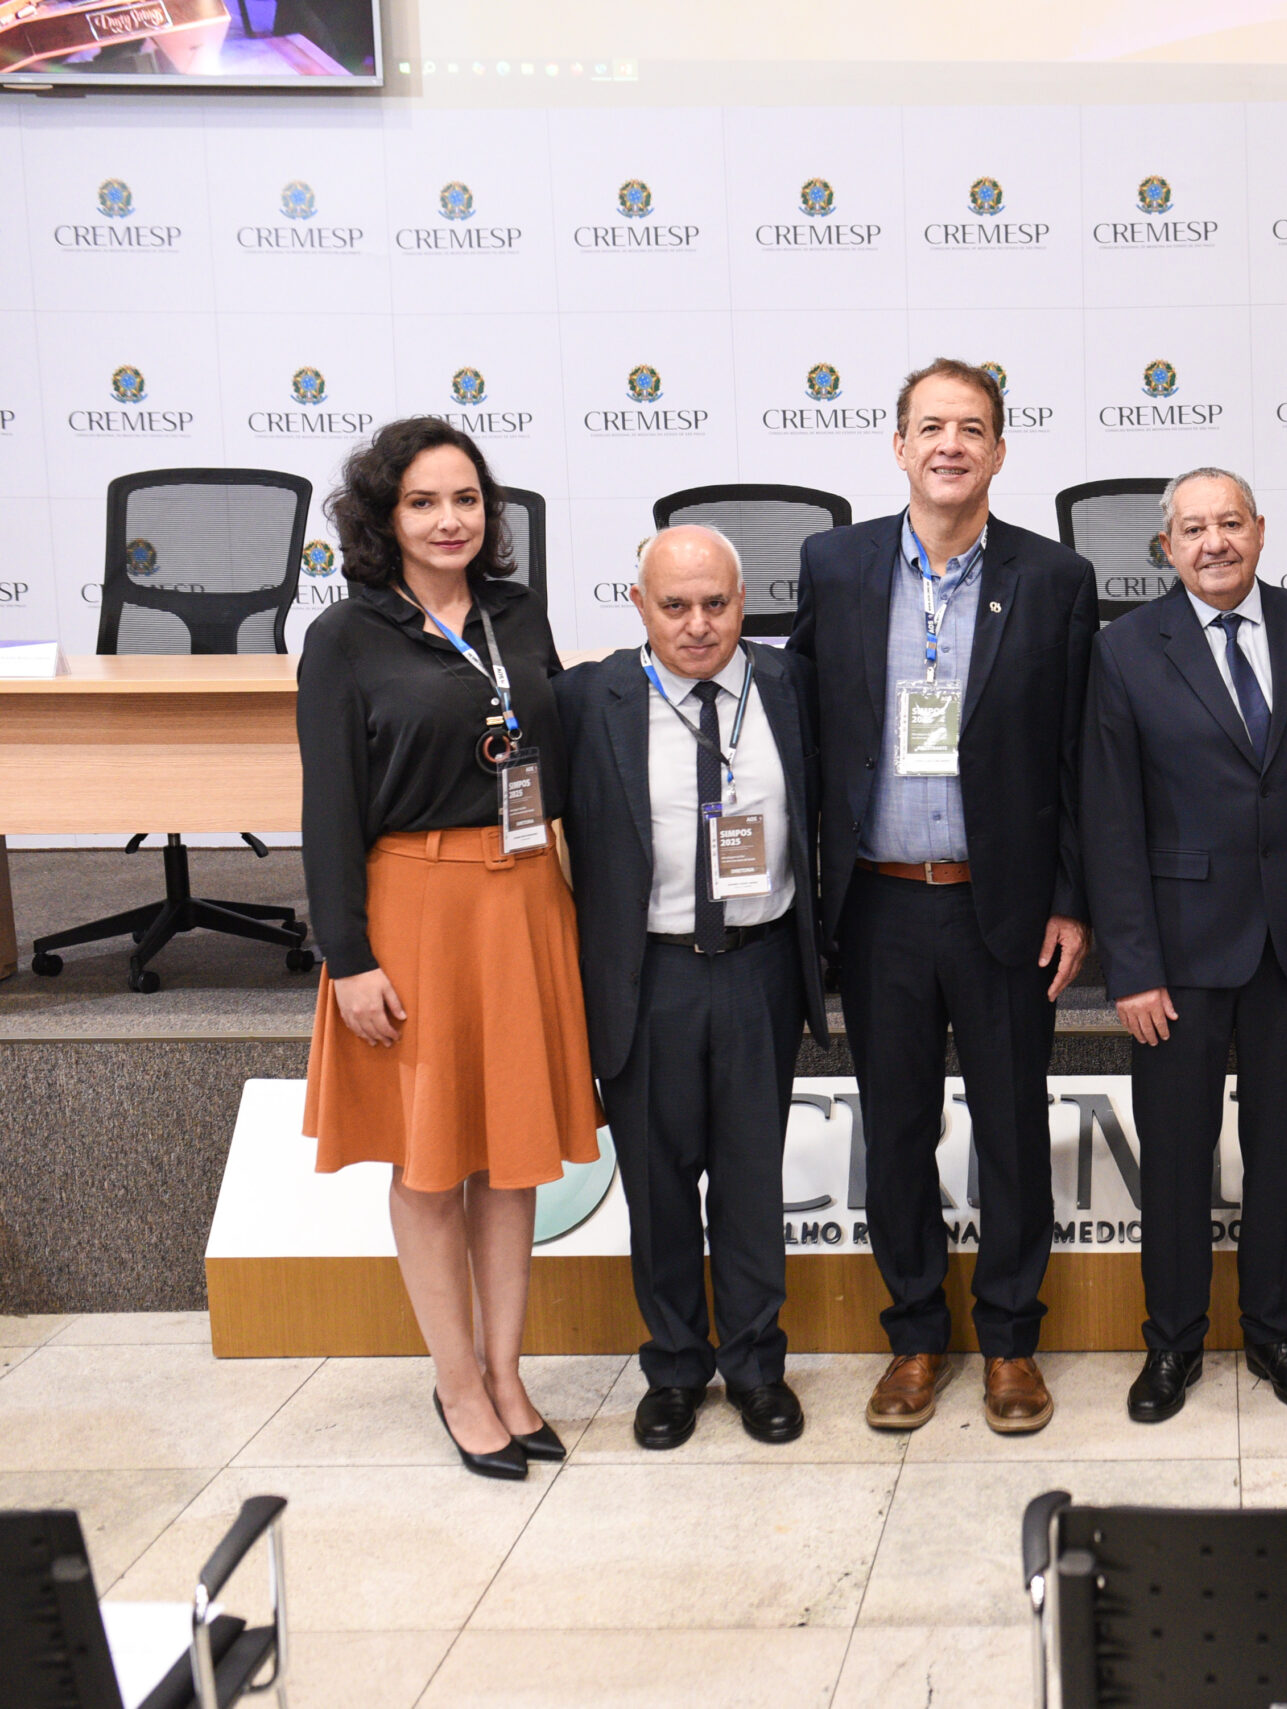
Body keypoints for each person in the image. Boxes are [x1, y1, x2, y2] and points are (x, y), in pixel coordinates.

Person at [791, 358, 1098, 1437]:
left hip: (999, 906)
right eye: (931, 426)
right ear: (899, 446)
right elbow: (806, 726)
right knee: (897, 1131)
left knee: (1012, 1130)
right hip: (878, 905)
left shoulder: (1054, 577)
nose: (951, 445)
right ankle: (916, 1336)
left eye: (972, 427)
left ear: (1000, 450)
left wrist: (1071, 898)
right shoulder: (835, 565)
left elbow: (1078, 756)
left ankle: (1011, 1339)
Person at [298, 417, 600, 1481]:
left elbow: (554, 754)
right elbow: (329, 808)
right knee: (429, 1165)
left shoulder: (518, 612)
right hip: (414, 910)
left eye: (465, 499)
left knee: (512, 1158)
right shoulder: (346, 635)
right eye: (423, 502)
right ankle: (457, 1380)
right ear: (385, 518)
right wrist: (348, 955)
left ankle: (507, 1373)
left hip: (523, 900)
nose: (448, 520)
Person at [1082, 468, 1287, 1423]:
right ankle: (1172, 1342)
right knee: (1175, 1160)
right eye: (1193, 529)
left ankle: (1277, 1333)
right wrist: (1131, 967)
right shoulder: (1124, 648)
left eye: (1229, 523)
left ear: (1260, 530)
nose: (1213, 542)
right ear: (1167, 547)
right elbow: (1108, 819)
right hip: (1174, 960)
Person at [553, 526, 827, 1451]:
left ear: (743, 603)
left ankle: (756, 1367)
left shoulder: (790, 685)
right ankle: (674, 1367)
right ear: (640, 606)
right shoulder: (590, 698)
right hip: (648, 974)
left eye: (716, 604)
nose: (698, 624)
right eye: (675, 605)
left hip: (760, 969)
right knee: (659, 1188)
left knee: (750, 1184)